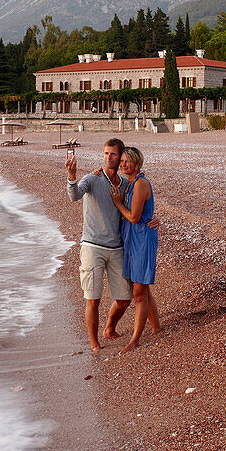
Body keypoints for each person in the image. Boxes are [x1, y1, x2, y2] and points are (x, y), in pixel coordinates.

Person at [66, 138, 159, 354]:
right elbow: (74, 195)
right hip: (92, 245)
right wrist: (72, 176)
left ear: (121, 158)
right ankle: (95, 344)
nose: (109, 158)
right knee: (93, 298)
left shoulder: (127, 183)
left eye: (114, 155)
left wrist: (154, 218)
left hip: (119, 246)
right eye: (106, 153)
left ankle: (110, 328)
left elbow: (140, 204)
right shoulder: (93, 178)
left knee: (127, 297)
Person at [110, 145, 160, 353]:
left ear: (136, 163)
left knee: (139, 292)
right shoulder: (130, 184)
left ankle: (135, 339)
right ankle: (156, 327)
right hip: (132, 239)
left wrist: (118, 203)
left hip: (142, 239)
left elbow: (134, 217)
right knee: (142, 288)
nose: (123, 164)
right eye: (121, 161)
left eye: (127, 161)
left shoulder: (139, 184)